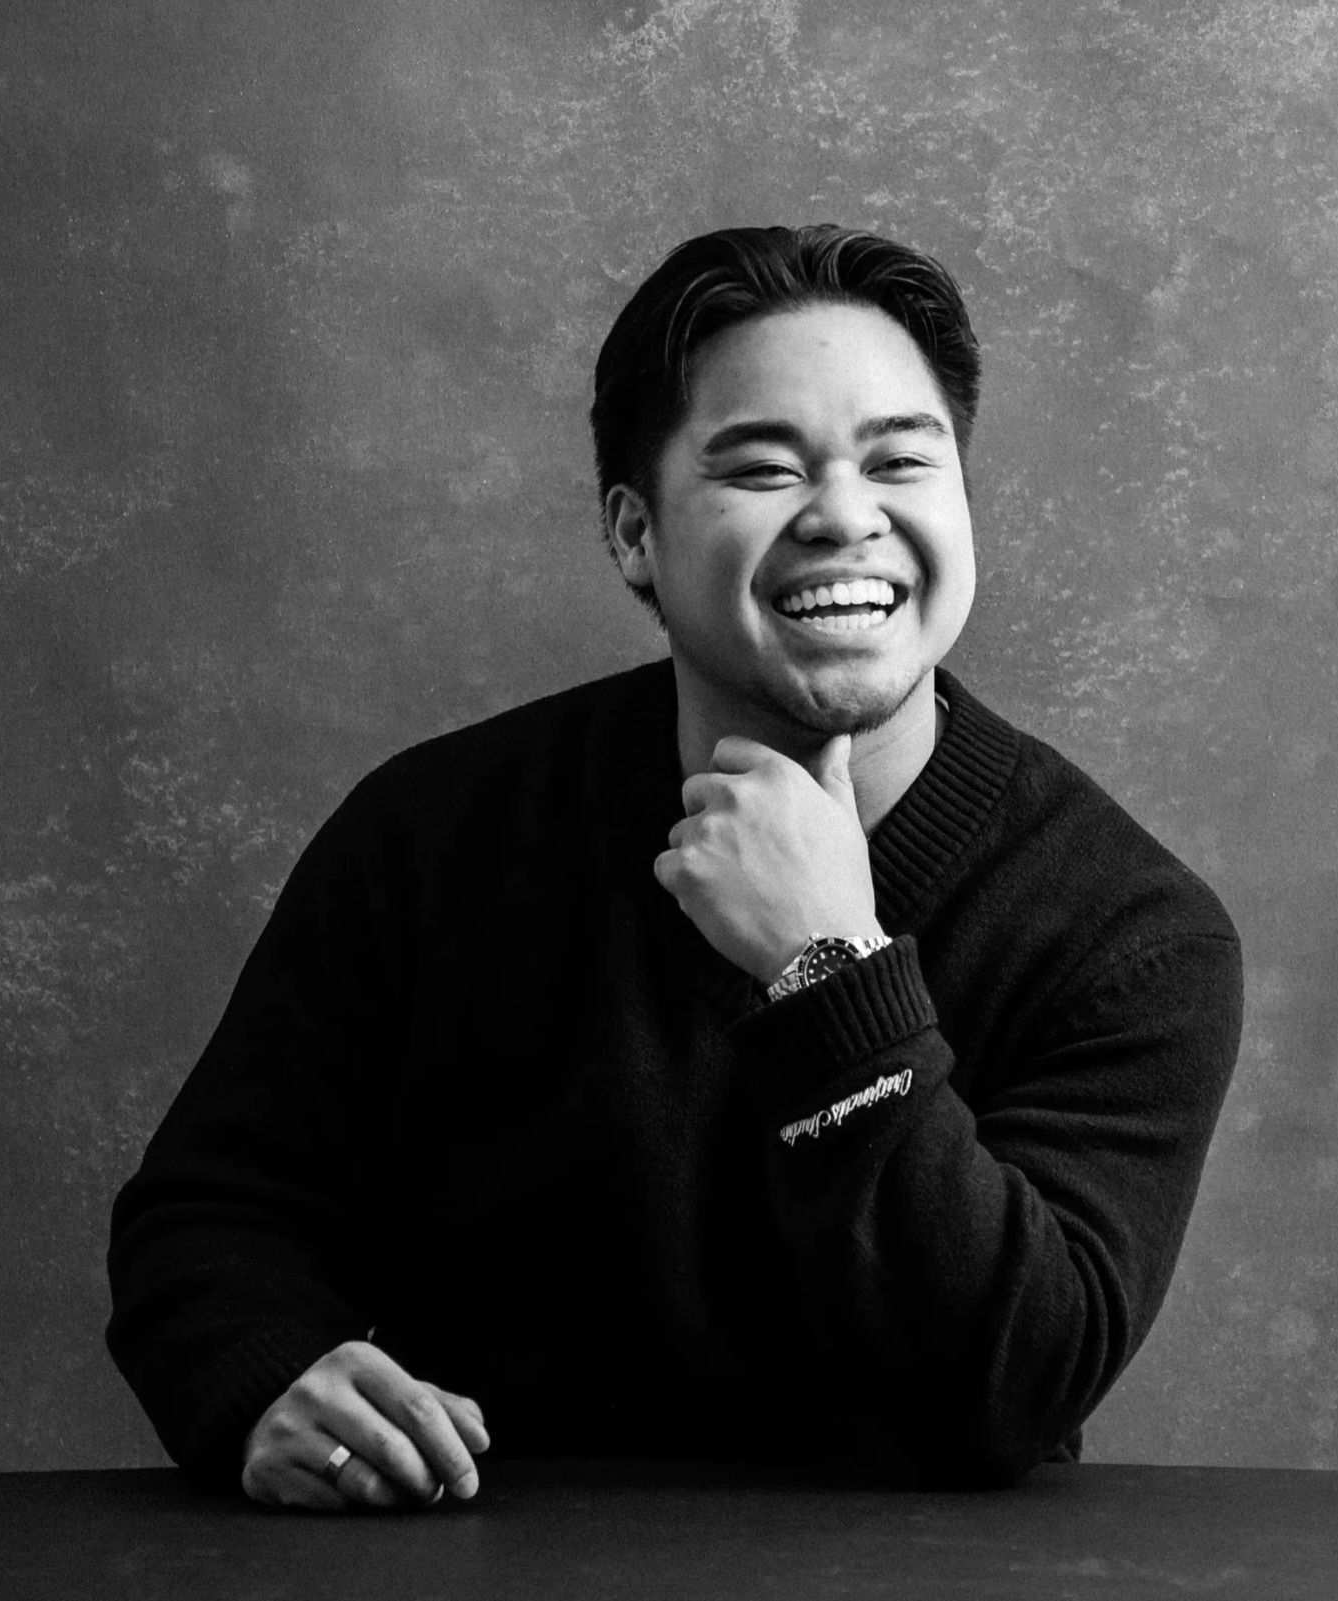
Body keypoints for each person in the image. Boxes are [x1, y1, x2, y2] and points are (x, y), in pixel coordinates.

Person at [105, 224, 1243, 1512]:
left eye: (903, 462)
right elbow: (209, 1219)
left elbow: (1009, 1389)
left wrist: (829, 971)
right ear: (634, 533)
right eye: (764, 468)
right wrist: (261, 1378)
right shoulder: (431, 836)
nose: (845, 518)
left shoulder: (1128, 930)